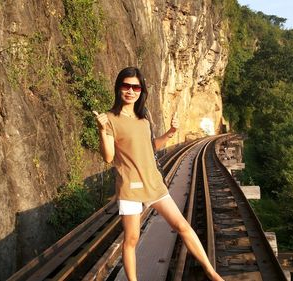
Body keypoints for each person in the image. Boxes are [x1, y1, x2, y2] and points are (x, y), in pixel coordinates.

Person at [93, 67, 223, 281]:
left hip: (154, 184)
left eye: (135, 87)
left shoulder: (143, 119)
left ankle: (212, 273)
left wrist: (170, 133)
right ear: (118, 88)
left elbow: (150, 147)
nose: (130, 91)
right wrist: (100, 131)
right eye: (126, 86)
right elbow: (108, 157)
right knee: (131, 240)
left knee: (183, 226)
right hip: (130, 186)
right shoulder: (109, 119)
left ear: (141, 91)